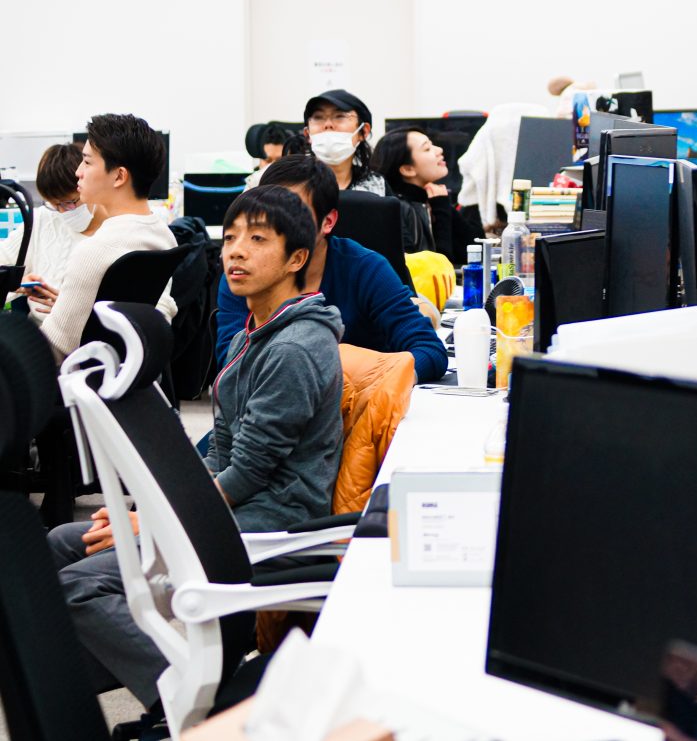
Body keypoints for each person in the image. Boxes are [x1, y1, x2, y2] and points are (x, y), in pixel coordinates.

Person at [47, 184, 344, 707]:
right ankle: (61, 685)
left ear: (297, 258)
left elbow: (247, 474)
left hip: (269, 520)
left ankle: (192, 699)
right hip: (231, 509)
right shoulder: (251, 336)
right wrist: (147, 510)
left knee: (80, 586)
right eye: (230, 239)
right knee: (60, 544)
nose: (236, 252)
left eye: (257, 239)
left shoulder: (295, 348)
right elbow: (220, 452)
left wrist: (160, 521)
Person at [214, 155, 448, 382]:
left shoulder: (366, 269)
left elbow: (429, 350)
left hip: (361, 399)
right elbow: (230, 364)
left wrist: (382, 378)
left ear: (327, 222)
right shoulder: (245, 273)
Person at [34, 114, 177, 360]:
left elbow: (54, 348)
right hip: (126, 371)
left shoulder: (94, 251)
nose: (78, 172)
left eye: (87, 162)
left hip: (75, 375)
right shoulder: (163, 236)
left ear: (119, 176)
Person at [1, 144, 106, 324]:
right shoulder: (43, 219)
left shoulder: (114, 231)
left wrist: (74, 309)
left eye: (69, 202)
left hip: (88, 332)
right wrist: (16, 282)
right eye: (54, 204)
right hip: (38, 332)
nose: (62, 212)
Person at [373, 126, 484, 263]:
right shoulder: (399, 210)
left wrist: (443, 205)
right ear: (408, 169)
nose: (439, 150)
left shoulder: (431, 198)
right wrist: (441, 209)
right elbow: (438, 268)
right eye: (427, 149)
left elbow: (476, 251)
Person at [303, 89, 385, 194]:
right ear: (307, 134)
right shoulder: (293, 185)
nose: (328, 124)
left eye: (340, 116)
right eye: (318, 117)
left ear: (364, 131)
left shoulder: (377, 186)